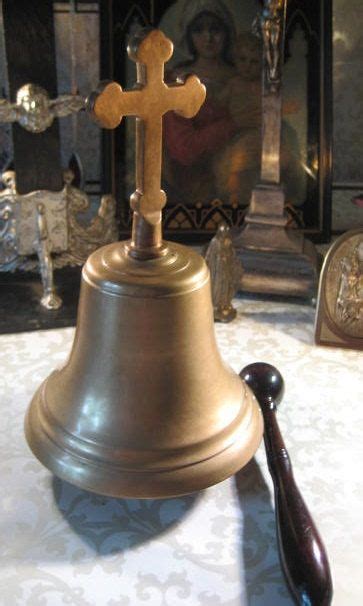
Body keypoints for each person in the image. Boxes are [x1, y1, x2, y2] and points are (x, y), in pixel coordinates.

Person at [163, 1, 240, 207]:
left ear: (226, 33)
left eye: (215, 29)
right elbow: (183, 149)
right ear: (188, 35)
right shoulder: (176, 79)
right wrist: (234, 123)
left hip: (237, 179)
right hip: (192, 183)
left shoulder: (243, 76)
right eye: (199, 30)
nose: (208, 38)